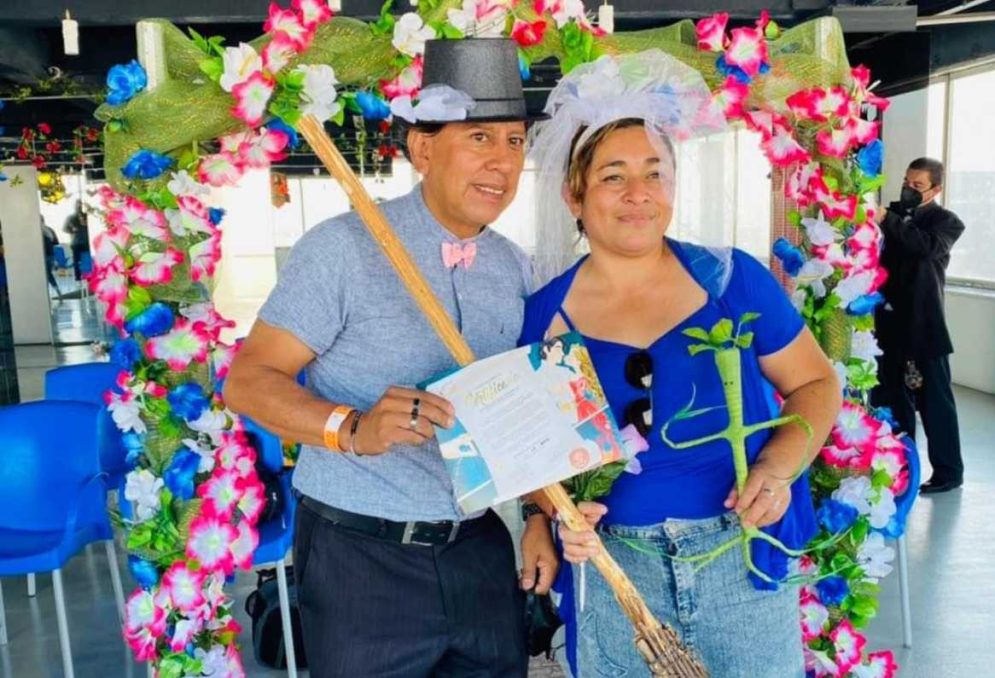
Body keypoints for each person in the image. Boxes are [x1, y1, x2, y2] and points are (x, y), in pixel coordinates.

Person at [224, 38, 557, 677]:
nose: (503, 163)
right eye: (480, 139)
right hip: (359, 555)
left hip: (479, 550)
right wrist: (349, 428)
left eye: (515, 142)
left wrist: (542, 513)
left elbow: (532, 413)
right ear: (422, 148)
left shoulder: (517, 269)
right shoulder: (343, 248)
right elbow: (249, 380)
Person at [518, 51, 842, 677]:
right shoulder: (544, 316)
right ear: (574, 194)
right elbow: (533, 454)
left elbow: (814, 382)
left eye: (655, 172)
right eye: (613, 176)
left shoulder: (731, 280)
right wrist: (551, 511)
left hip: (738, 558)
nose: (639, 195)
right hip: (613, 573)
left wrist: (776, 470)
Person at [874, 158, 965, 494]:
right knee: (891, 399)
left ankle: (948, 472)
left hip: (925, 325)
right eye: (906, 182)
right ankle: (898, 467)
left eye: (918, 186)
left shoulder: (946, 222)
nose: (908, 190)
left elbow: (925, 248)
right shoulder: (891, 214)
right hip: (887, 322)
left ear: (935, 189)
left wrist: (889, 220)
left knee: (935, 402)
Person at [63, 201, 89, 281]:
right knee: (76, 261)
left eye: (80, 205)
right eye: (77, 205)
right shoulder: (70, 217)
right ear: (74, 206)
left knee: (86, 260)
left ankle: (88, 276)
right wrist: (72, 230)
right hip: (76, 242)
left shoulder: (86, 216)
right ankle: (78, 277)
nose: (79, 207)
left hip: (86, 241)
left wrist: (86, 224)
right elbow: (64, 229)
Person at [40, 216, 60, 295]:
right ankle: (57, 290)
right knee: (48, 274)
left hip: (43, 255)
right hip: (51, 254)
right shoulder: (49, 229)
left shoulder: (37, 231)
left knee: (46, 274)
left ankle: (50, 291)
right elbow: (56, 242)